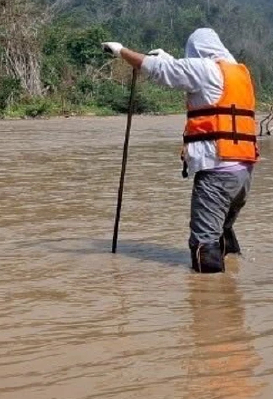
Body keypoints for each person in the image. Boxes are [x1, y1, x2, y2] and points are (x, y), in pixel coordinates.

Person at [102, 28, 258, 273]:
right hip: (243, 173)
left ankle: (211, 296)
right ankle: (235, 282)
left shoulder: (206, 70)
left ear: (197, 51)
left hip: (216, 171)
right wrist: (166, 57)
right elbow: (180, 69)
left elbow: (162, 71)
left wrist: (121, 51)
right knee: (222, 230)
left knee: (204, 242)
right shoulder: (238, 73)